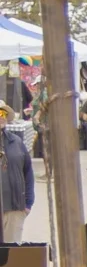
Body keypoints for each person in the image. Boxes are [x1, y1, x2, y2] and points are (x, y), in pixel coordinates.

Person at [0, 103, 32, 241]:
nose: (1, 117)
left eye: (3, 114)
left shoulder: (16, 141)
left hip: (14, 208)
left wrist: (28, 203)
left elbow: (28, 172)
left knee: (11, 256)